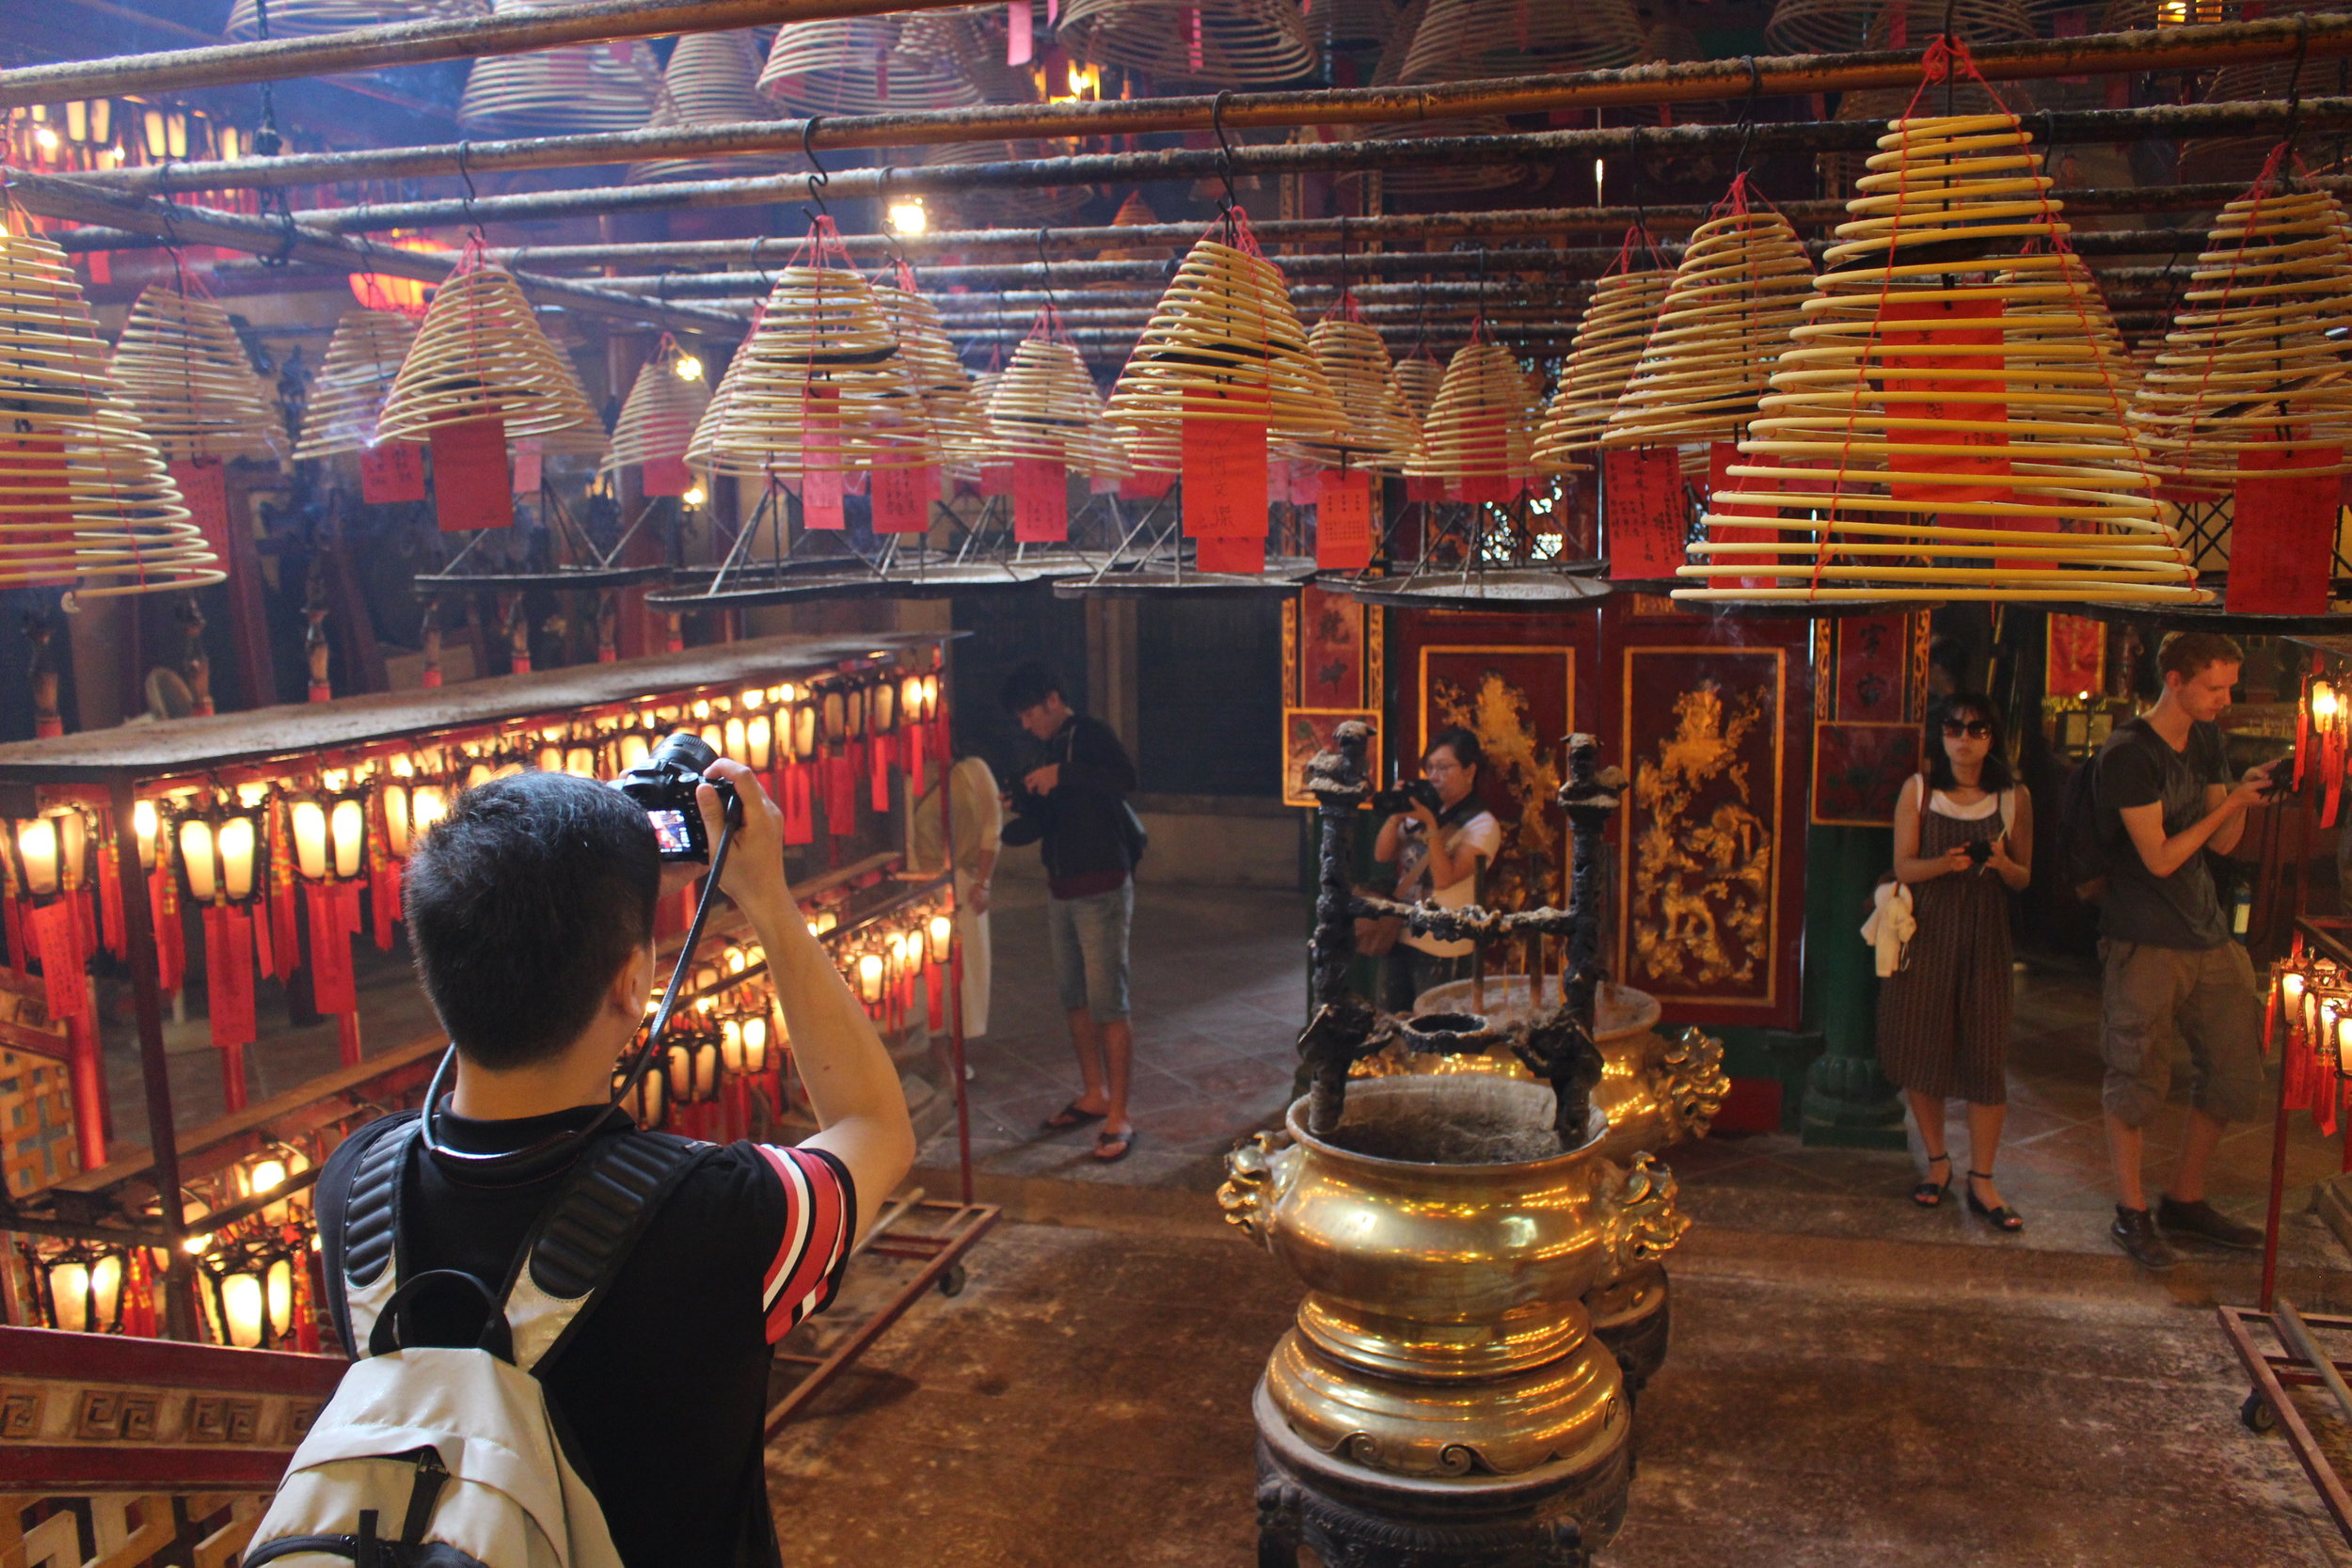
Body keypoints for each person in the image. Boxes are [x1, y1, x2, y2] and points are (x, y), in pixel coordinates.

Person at [316, 764, 916, 1567]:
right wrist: (767, 901)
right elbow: (871, 1123)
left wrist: (593, 891)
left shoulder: (354, 1186)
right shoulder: (721, 1216)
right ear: (634, 983)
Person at [2093, 631, 2277, 1269]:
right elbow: (2162, 855)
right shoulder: (2127, 753)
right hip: (2144, 934)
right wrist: (2224, 807)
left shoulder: (2204, 737)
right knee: (2136, 1073)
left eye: (2230, 687)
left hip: (2206, 929)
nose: (2225, 700)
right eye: (2215, 687)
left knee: (2234, 1071)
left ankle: (2186, 1196)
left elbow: (2221, 847)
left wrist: (2241, 796)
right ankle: (2131, 1209)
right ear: (2174, 679)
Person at [1878, 692, 2031, 1231]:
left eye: (1977, 729)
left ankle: (1983, 1177)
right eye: (1953, 728)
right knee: (1924, 1045)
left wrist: (2002, 862)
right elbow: (1902, 866)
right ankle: (1938, 1161)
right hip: (1928, 932)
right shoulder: (1918, 792)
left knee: (1986, 1053)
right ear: (1939, 735)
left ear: (1993, 737)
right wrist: (1945, 863)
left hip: (1985, 935)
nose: (1963, 739)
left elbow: (2023, 878)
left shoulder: (2013, 798)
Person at [998, 661, 1143, 1164]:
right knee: (1074, 997)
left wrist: (1063, 774)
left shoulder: (1089, 734)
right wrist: (1022, 801)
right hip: (1061, 885)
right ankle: (1093, 1093)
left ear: (1053, 700)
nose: (1025, 724)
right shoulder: (1047, 747)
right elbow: (1056, 817)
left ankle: (1119, 1113)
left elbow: (1125, 778)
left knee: (1108, 1001)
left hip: (1101, 884)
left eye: (1028, 713)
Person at [1374, 728, 1502, 1013]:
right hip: (1401, 933)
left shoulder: (1482, 824)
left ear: (1470, 771)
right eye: (1430, 767)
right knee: (1391, 1022)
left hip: (1445, 944)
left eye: (1444, 767)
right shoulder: (1425, 808)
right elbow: (1382, 854)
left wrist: (1432, 827)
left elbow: (1444, 879)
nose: (1434, 777)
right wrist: (1397, 814)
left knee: (1435, 1030)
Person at [913, 752, 1003, 1041]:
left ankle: (958, 1046)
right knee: (926, 971)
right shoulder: (906, 776)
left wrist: (984, 880)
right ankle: (937, 1050)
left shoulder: (973, 771)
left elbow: (992, 826)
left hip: (965, 880)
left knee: (967, 968)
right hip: (921, 885)